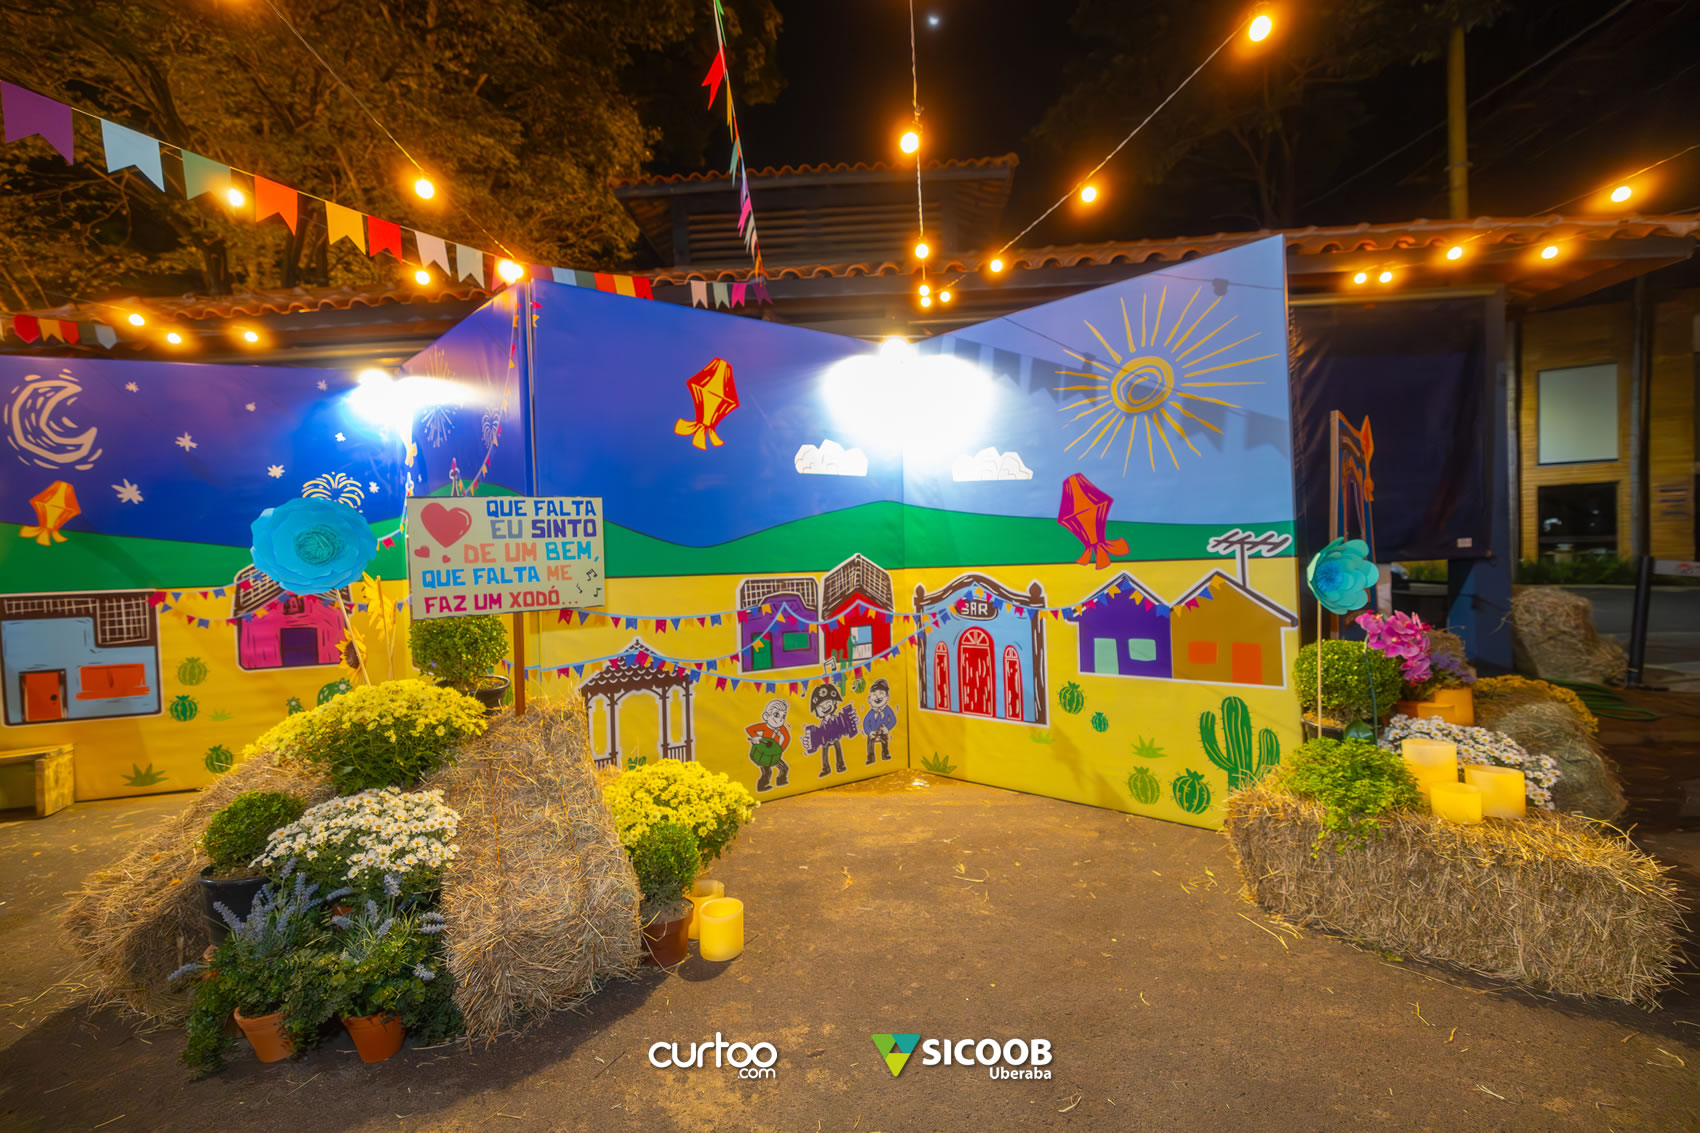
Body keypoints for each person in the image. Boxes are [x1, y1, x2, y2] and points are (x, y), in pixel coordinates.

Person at [804, 683, 857, 777]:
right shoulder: (822, 724)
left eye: (828, 702)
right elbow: (819, 732)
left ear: (834, 702)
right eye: (820, 706)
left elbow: (842, 725)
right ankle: (825, 768)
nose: (825, 707)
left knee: (838, 749)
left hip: (835, 737)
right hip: (826, 740)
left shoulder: (836, 719)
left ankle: (840, 765)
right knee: (825, 752)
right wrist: (810, 740)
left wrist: (852, 721)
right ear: (816, 711)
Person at [745, 699, 792, 792]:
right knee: (767, 772)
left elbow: (787, 738)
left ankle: (781, 781)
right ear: (766, 716)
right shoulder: (764, 726)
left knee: (784, 768)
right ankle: (762, 786)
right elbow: (749, 729)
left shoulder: (781, 729)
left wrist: (780, 750)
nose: (780, 719)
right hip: (764, 755)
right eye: (776, 715)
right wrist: (756, 737)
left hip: (774, 755)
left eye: (783, 716)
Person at [863, 678, 897, 764]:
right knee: (870, 743)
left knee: (885, 741)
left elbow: (893, 720)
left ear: (887, 697)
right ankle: (870, 758)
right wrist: (869, 732)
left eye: (881, 693)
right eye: (874, 694)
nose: (877, 697)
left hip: (882, 730)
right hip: (873, 732)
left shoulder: (887, 709)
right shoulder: (870, 713)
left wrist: (887, 728)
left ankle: (885, 754)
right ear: (869, 699)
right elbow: (865, 723)